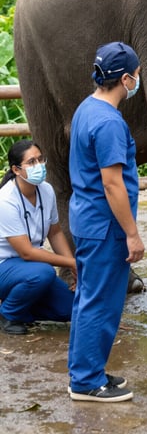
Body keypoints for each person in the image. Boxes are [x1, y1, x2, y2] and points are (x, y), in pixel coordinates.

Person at [67, 41, 144, 403]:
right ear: (126, 79)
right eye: (137, 75)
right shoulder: (109, 122)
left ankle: (88, 371)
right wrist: (132, 233)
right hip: (105, 227)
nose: (139, 80)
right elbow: (113, 183)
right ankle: (85, 382)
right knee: (100, 304)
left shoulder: (87, 108)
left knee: (87, 300)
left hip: (86, 220)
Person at [0, 139, 76, 335]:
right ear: (16, 170)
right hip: (6, 265)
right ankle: (8, 313)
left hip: (27, 268)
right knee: (43, 273)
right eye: (31, 162)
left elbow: (55, 232)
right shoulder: (6, 200)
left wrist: (71, 264)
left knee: (70, 309)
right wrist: (72, 263)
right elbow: (26, 252)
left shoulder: (46, 190)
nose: (39, 166)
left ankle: (19, 307)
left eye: (41, 159)